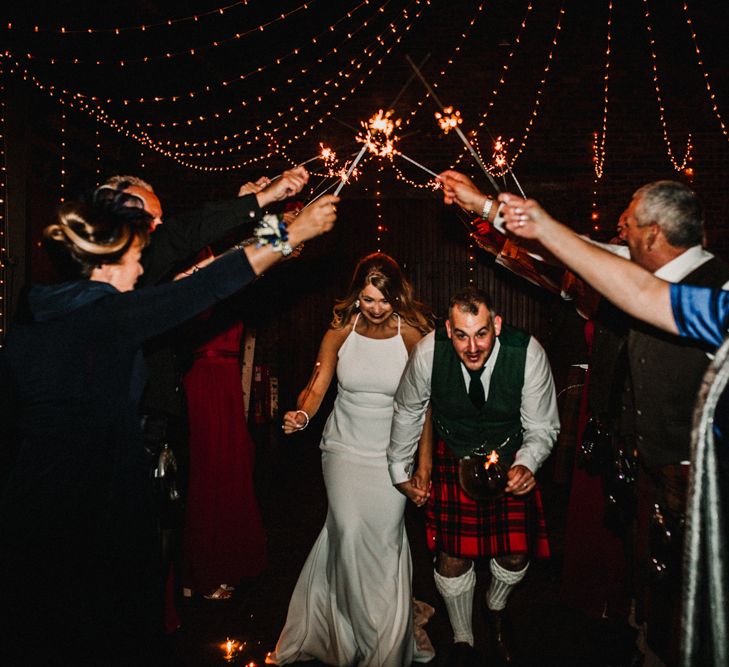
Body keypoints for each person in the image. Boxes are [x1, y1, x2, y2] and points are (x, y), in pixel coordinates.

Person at [0, 186, 337, 665]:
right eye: (138, 257)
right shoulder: (108, 318)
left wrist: (266, 221)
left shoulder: (38, 312)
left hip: (30, 503)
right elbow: (205, 286)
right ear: (108, 261)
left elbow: (200, 276)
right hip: (92, 506)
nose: (143, 268)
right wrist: (294, 231)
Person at [440, 171, 729, 664]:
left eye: (628, 223)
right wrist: (481, 204)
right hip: (652, 473)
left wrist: (536, 220)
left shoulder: (718, 291)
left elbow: (641, 295)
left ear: (654, 233)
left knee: (704, 610)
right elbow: (584, 253)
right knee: (657, 592)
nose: (619, 232)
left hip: (708, 487)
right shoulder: (648, 272)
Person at [266, 253, 436, 667]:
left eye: (383, 300)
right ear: (356, 296)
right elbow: (317, 385)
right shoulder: (340, 331)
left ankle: (385, 643)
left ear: (398, 296)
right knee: (346, 530)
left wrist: (423, 465)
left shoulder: (413, 334)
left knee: (384, 542)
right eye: (367, 299)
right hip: (343, 449)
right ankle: (351, 632)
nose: (375, 308)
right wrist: (302, 414)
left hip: (392, 455)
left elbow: (426, 407)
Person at [388, 286, 560, 666]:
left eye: (481, 333)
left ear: (496, 324)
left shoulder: (526, 353)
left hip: (509, 455)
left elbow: (543, 426)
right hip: (455, 455)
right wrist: (399, 470)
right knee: (452, 557)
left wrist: (527, 464)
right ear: (449, 330)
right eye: (461, 335)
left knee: (515, 553)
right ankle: (463, 637)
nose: (472, 347)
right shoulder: (429, 353)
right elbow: (407, 411)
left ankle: (494, 608)